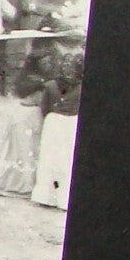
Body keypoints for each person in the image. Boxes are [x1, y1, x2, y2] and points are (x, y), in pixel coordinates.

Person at [0, 45, 58, 199]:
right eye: (45, 62)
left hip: (29, 115)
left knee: (29, 149)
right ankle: (22, 184)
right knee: (23, 151)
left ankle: (23, 183)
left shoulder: (33, 79)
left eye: (49, 62)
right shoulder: (35, 81)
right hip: (26, 115)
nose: (48, 65)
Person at [31, 51, 83, 211]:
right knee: (62, 160)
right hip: (66, 123)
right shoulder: (78, 86)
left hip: (57, 123)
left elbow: (44, 108)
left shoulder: (51, 85)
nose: (68, 71)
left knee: (53, 159)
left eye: (70, 67)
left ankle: (48, 196)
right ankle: (59, 198)